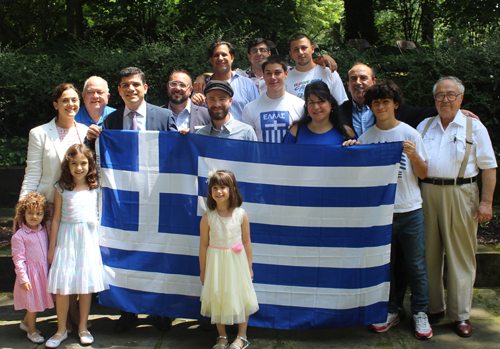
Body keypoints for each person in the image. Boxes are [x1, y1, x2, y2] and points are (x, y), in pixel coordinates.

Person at [85, 67, 177, 333]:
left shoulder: (163, 116)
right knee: (127, 254)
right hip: (125, 202)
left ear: (145, 88)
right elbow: (96, 158)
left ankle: (161, 311)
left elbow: (178, 155)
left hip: (159, 198)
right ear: (119, 90)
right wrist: (90, 140)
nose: (131, 89)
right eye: (125, 85)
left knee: (160, 254)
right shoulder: (110, 121)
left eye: (136, 84)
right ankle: (129, 310)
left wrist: (185, 139)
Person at [344, 81, 433, 339]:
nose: (380, 107)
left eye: (385, 102)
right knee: (387, 265)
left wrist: (414, 156)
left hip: (410, 210)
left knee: (416, 264)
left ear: (395, 104)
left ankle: (420, 312)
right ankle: (391, 310)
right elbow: (359, 177)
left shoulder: (410, 134)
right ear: (370, 107)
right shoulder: (367, 137)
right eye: (376, 103)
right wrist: (352, 152)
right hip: (380, 214)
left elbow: (424, 173)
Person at [416, 76, 497, 337]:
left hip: (462, 193)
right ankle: (433, 307)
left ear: (461, 98)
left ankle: (461, 314)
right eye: (440, 95)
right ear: (434, 99)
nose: (445, 100)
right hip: (427, 193)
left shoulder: (474, 128)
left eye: (451, 94)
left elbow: (489, 167)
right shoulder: (424, 126)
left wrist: (486, 202)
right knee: (428, 254)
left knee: (461, 256)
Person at [45, 144, 107, 348]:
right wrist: (52, 247)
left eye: (83, 163)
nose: (79, 168)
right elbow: (55, 220)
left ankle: (82, 326)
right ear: (68, 165)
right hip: (66, 239)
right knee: (63, 286)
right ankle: (61, 329)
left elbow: (99, 214)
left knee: (85, 286)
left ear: (90, 165)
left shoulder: (95, 187)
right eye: (74, 164)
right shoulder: (61, 188)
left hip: (87, 241)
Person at [199, 170, 258, 349]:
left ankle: (242, 336)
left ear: (232, 189)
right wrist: (203, 270)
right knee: (218, 297)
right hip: (216, 264)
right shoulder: (208, 217)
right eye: (214, 187)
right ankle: (222, 336)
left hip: (237, 263)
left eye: (223, 187)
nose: (219, 191)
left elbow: (247, 242)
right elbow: (203, 245)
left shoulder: (241, 215)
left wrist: (249, 266)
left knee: (241, 296)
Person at [194, 37, 338, 94]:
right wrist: (202, 76)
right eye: (254, 51)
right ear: (248, 56)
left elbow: (304, 67)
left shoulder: (286, 72)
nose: (259, 54)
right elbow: (223, 72)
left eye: (262, 50)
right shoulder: (240, 76)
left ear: (269, 54)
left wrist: (322, 58)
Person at [11, 192, 54, 344]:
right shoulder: (19, 236)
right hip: (31, 276)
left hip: (42, 273)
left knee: (35, 303)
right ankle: (32, 330)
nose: (34, 216)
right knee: (32, 305)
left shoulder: (43, 231)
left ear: (44, 215)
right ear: (23, 213)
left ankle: (25, 323)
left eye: (38, 213)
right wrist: (23, 278)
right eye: (30, 213)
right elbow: (19, 259)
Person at [241, 55, 304, 143]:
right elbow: (248, 143)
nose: (273, 77)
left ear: (286, 74)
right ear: (263, 76)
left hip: (291, 156)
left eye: (277, 73)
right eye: (269, 73)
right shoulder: (250, 108)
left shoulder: (300, 106)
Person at [191, 41, 259, 121]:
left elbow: (257, 114)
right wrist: (194, 103)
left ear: (232, 58)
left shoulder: (248, 84)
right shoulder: (201, 87)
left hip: (242, 133)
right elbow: (192, 115)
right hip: (209, 133)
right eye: (216, 55)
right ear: (211, 60)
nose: (220, 58)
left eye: (224, 55)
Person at [282, 81, 355, 144]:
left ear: (331, 104)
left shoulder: (346, 132)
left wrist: (353, 147)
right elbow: (283, 157)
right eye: (311, 103)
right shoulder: (295, 131)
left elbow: (358, 158)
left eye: (321, 102)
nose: (316, 107)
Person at [285, 33, 348, 105]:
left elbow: (342, 104)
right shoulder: (286, 79)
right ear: (291, 54)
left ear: (312, 49)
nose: (300, 52)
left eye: (304, 48)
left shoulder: (329, 73)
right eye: (295, 49)